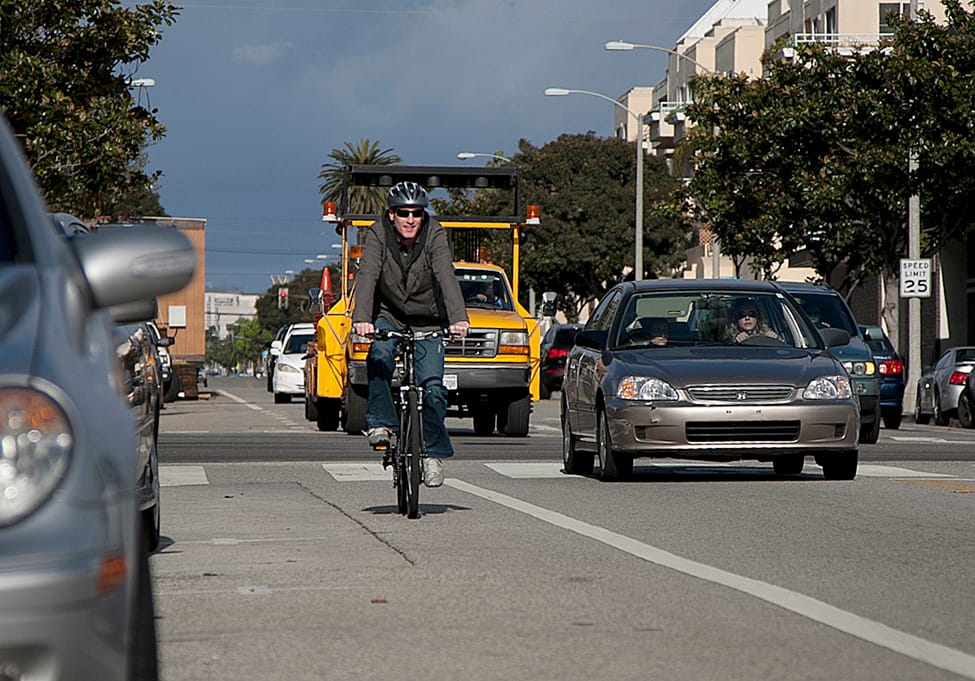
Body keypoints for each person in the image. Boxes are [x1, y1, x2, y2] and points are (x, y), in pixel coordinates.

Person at [352, 181, 470, 488]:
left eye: (416, 213)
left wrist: (458, 319)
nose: (410, 219)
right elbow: (367, 275)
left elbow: (446, 273)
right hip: (389, 314)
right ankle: (380, 422)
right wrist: (362, 319)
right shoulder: (378, 232)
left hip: (429, 318)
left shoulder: (435, 233)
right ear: (391, 214)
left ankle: (432, 454)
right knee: (378, 357)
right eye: (403, 213)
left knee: (433, 390)